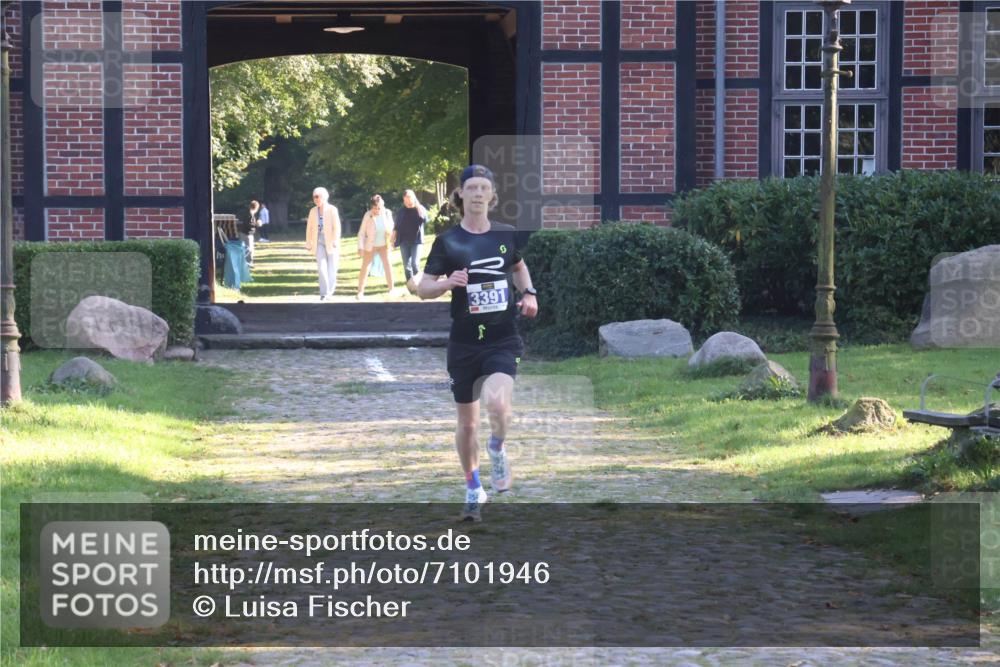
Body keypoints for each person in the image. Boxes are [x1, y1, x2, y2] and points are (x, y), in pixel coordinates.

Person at [417, 165, 539, 521]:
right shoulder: (447, 241)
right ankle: (473, 488)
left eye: (484, 187)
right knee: (467, 423)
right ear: (461, 195)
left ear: (491, 195)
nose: (478, 193)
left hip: (502, 337)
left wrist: (529, 292)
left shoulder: (504, 234)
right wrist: (445, 284)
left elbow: (517, 267)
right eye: (471, 187)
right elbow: (423, 287)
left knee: (498, 405)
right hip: (464, 341)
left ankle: (497, 448)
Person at [305, 187, 342, 301]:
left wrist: (335, 240)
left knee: (332, 268)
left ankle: (330, 292)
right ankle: (324, 293)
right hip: (319, 241)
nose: (315, 199)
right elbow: (309, 228)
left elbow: (337, 227)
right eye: (314, 197)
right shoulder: (312, 211)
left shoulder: (332, 210)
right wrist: (308, 242)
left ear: (324, 197)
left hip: (331, 241)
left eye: (318, 197)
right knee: (321, 267)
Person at [356, 194, 395, 299]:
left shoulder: (387, 213)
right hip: (371, 245)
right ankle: (360, 292)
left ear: (382, 206)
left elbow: (392, 228)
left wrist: (391, 240)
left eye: (378, 208)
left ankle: (391, 289)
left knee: (388, 266)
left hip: (384, 244)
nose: (376, 210)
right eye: (374, 208)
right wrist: (360, 247)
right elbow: (361, 233)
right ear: (371, 207)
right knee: (365, 267)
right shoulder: (367, 215)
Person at [393, 189, 428, 288]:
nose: (407, 202)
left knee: (415, 264)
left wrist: (418, 209)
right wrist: (393, 239)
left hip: (416, 241)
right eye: (405, 200)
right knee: (407, 266)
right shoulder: (401, 211)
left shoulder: (420, 208)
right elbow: (396, 226)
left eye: (409, 199)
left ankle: (419, 284)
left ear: (413, 198)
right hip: (404, 241)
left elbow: (425, 220)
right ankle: (411, 285)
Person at [241, 200, 262, 266]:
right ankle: (248, 263)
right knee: (249, 249)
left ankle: (248, 262)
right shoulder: (250, 215)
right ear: (256, 208)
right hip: (247, 234)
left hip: (247, 234)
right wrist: (257, 224)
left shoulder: (250, 214)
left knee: (248, 249)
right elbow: (249, 225)